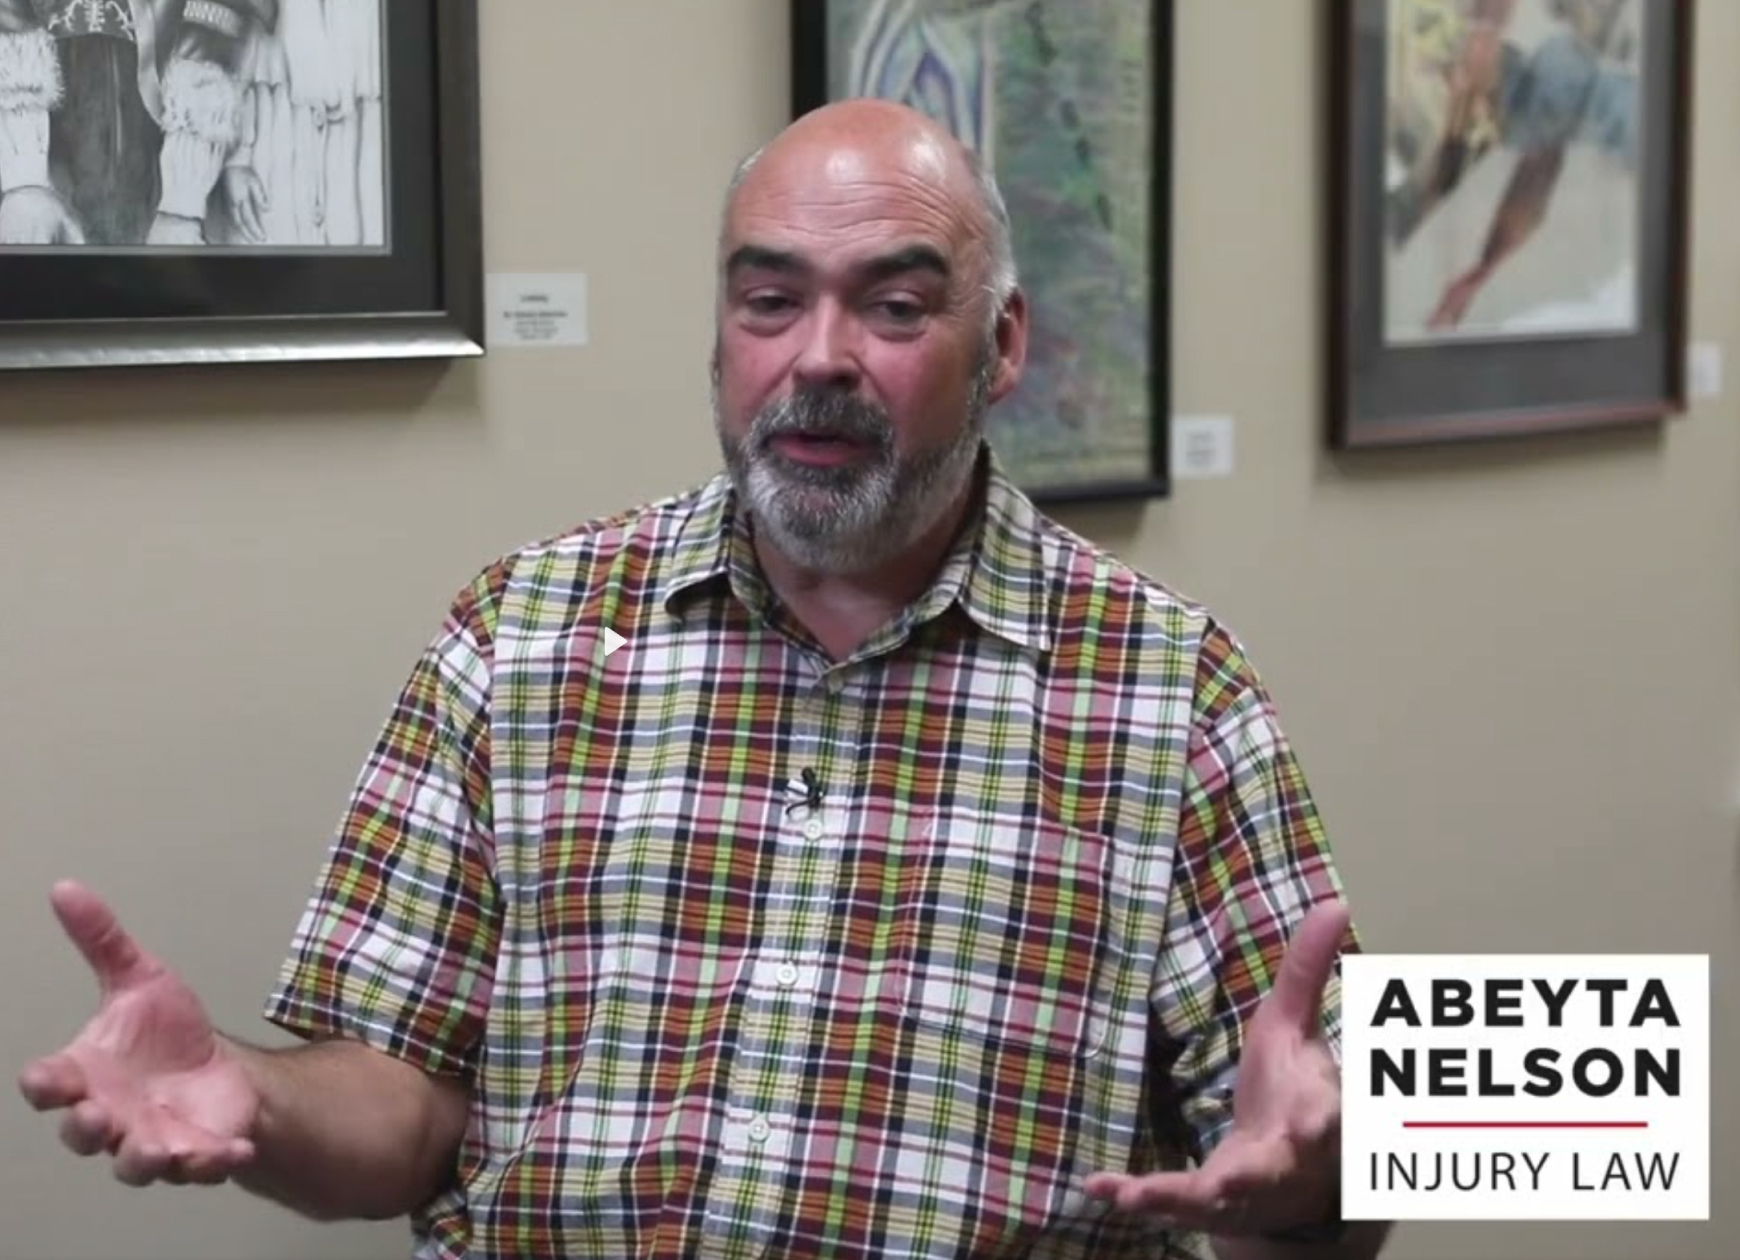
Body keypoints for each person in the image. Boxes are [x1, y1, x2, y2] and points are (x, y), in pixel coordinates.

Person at [17, 100, 1393, 1260]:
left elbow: (1321, 1163)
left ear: (1008, 346)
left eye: (897, 307)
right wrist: (244, 1094)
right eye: (770, 300)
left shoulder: (1169, 692)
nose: (820, 359)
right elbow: (402, 1103)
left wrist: (1335, 1163)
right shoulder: (525, 637)